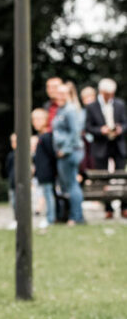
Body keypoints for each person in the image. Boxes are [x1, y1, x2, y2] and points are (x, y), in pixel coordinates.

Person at [84, 78, 126, 219]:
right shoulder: (92, 107)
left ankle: (124, 207)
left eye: (112, 93)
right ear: (101, 92)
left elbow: (125, 123)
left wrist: (121, 129)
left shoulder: (120, 104)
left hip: (118, 144)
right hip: (101, 145)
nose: (110, 96)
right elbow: (88, 127)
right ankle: (108, 209)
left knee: (122, 176)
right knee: (103, 178)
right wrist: (100, 130)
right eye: (108, 93)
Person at [52, 83, 84, 226]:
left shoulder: (70, 110)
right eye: (58, 93)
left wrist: (64, 149)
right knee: (66, 186)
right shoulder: (61, 109)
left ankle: (76, 217)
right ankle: (70, 215)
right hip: (63, 152)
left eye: (62, 93)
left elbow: (74, 132)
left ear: (68, 94)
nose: (59, 96)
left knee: (72, 185)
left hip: (70, 152)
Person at [31, 108, 56, 229]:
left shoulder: (47, 137)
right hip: (41, 171)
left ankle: (51, 218)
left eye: (39, 118)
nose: (35, 122)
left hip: (47, 171)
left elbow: (52, 154)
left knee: (48, 194)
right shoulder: (40, 137)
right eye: (34, 119)